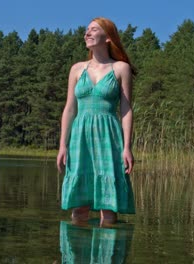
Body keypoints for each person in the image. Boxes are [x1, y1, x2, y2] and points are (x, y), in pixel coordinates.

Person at [56, 17, 136, 226]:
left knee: (108, 209)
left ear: (108, 37)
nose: (87, 33)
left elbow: (126, 110)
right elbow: (70, 108)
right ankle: (76, 253)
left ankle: (107, 254)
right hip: (79, 137)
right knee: (79, 206)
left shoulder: (121, 68)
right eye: (86, 30)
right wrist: (62, 145)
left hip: (109, 137)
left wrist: (127, 147)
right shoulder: (77, 69)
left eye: (93, 29)